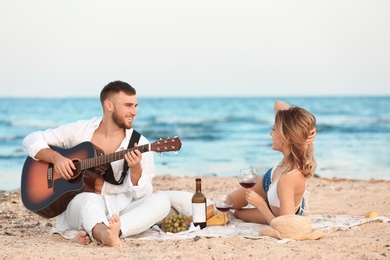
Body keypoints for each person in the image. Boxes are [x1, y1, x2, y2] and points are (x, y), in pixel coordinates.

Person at [22, 80, 171, 246]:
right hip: (81, 206)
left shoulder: (140, 143)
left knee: (162, 201)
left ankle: (115, 232)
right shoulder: (81, 130)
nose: (134, 112)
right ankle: (104, 233)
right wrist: (56, 159)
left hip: (121, 210)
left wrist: (136, 170)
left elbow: (143, 196)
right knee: (89, 200)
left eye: (135, 106)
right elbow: (32, 139)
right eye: (128, 105)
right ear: (109, 105)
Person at [230, 100, 317, 225]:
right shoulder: (288, 163)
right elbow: (278, 104)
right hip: (271, 179)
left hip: (277, 210)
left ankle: (266, 201)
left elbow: (286, 226)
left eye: (274, 129)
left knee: (238, 213)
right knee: (228, 202)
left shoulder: (288, 179)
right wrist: (306, 127)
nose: (270, 133)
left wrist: (260, 204)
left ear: (286, 138)